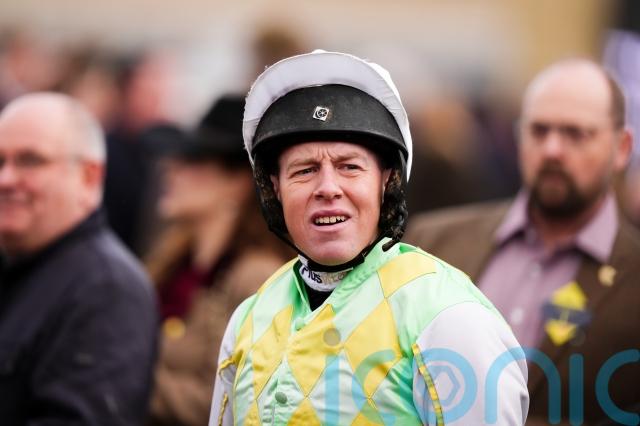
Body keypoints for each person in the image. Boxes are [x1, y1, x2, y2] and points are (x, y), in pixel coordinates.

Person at [209, 50, 528, 425]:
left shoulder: (448, 316)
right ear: (275, 188)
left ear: (386, 180)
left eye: (349, 167)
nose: (328, 188)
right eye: (304, 170)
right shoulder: (248, 318)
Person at [405, 59, 639, 425]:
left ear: (622, 147)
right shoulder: (432, 243)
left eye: (576, 134)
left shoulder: (633, 277)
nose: (552, 150)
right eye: (539, 130)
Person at [0, 93, 158, 425]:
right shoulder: (22, 263)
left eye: (30, 160)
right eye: (0, 161)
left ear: (88, 177)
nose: (6, 179)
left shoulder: (109, 290)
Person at [144, 95, 290, 426]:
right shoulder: (174, 263)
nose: (171, 169)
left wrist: (123, 377)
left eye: (194, 160)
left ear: (238, 183)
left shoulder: (255, 277)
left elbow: (222, 399)